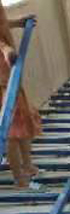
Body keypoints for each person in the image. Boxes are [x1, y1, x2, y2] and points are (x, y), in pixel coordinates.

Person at [0, 2, 42, 189]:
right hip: (3, 80)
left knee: (22, 120)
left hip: (10, 74)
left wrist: (17, 22)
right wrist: (5, 49)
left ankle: (27, 164)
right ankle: (19, 177)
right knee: (10, 131)